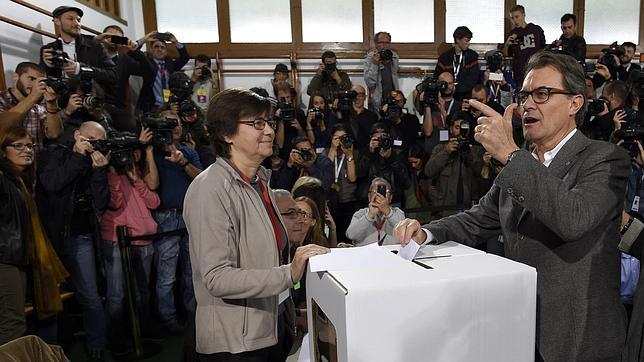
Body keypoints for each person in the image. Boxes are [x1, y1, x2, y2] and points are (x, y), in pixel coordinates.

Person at [394, 52, 629, 361]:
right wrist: (425, 232)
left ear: (575, 103)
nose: (528, 104)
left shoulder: (604, 158)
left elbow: (574, 219)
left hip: (578, 338)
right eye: (524, 95)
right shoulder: (523, 162)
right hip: (517, 330)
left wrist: (511, 154)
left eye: (542, 94)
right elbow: (479, 218)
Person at [183, 88, 329, 361]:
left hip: (266, 330)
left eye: (270, 123)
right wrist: (289, 273)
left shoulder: (259, 182)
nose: (270, 131)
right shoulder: (210, 189)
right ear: (226, 134)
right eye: (256, 124)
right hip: (234, 344)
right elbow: (217, 277)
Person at [36, 121, 110, 361]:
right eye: (88, 138)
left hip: (82, 236)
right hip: (52, 237)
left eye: (97, 141)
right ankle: (50, 352)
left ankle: (97, 344)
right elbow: (52, 183)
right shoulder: (54, 153)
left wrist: (99, 171)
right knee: (50, 297)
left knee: (90, 294)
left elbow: (100, 202)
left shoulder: (95, 160)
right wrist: (78, 157)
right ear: (77, 134)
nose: (91, 145)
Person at [100, 128, 160, 353]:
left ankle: (141, 333)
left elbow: (154, 202)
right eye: (127, 152)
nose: (131, 156)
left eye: (134, 151)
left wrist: (137, 181)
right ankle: (116, 339)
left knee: (143, 292)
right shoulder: (107, 173)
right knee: (117, 294)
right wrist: (114, 172)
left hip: (144, 240)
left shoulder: (137, 174)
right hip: (117, 240)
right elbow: (114, 203)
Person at [0, 127, 34, 345]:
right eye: (18, 145)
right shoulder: (2, 179)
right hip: (5, 259)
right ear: (3, 152)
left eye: (29, 145)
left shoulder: (17, 180)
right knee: (13, 326)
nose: (27, 150)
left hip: (13, 258)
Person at [40, 6, 117, 87]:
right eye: (70, 19)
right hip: (62, 98)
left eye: (78, 20)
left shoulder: (95, 46)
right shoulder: (48, 49)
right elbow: (42, 80)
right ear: (57, 21)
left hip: (89, 97)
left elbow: (113, 75)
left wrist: (80, 69)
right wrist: (48, 66)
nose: (77, 23)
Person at [0, 62, 64, 153]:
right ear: (15, 76)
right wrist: (33, 97)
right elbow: (2, 125)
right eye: (32, 79)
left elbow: (54, 134)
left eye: (41, 81)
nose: (35, 84)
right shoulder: (2, 99)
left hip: (35, 163)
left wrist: (52, 105)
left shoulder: (38, 107)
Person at [137, 32, 190, 112]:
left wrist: (175, 42)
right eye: (156, 47)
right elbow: (132, 52)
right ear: (151, 50)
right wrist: (144, 39)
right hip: (152, 106)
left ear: (166, 51)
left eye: (162, 47)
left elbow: (185, 58)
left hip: (171, 106)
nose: (159, 49)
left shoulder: (170, 64)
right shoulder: (147, 63)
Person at [346, 178, 404, 246]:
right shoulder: (360, 214)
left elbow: (403, 231)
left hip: (390, 254)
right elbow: (351, 235)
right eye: (374, 192)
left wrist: (388, 212)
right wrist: (369, 216)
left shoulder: (398, 213)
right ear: (369, 197)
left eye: (384, 192)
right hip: (366, 255)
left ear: (390, 197)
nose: (379, 196)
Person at [503, 5, 546, 86]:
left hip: (535, 69)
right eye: (512, 18)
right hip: (520, 73)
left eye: (517, 17)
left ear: (523, 15)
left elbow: (543, 50)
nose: (515, 20)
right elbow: (506, 55)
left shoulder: (536, 30)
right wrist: (507, 44)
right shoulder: (513, 33)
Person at [436, 26, 482, 100]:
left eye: (469, 41)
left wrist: (456, 88)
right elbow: (438, 77)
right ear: (457, 40)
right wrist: (448, 88)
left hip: (466, 95)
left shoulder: (472, 56)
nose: (469, 43)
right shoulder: (444, 57)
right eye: (466, 41)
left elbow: (473, 79)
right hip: (447, 95)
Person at [364, 31, 399, 111]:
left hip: (393, 98)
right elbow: (370, 83)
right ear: (376, 44)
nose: (384, 45)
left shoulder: (393, 56)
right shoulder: (370, 58)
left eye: (387, 43)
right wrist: (375, 64)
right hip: (377, 100)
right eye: (381, 42)